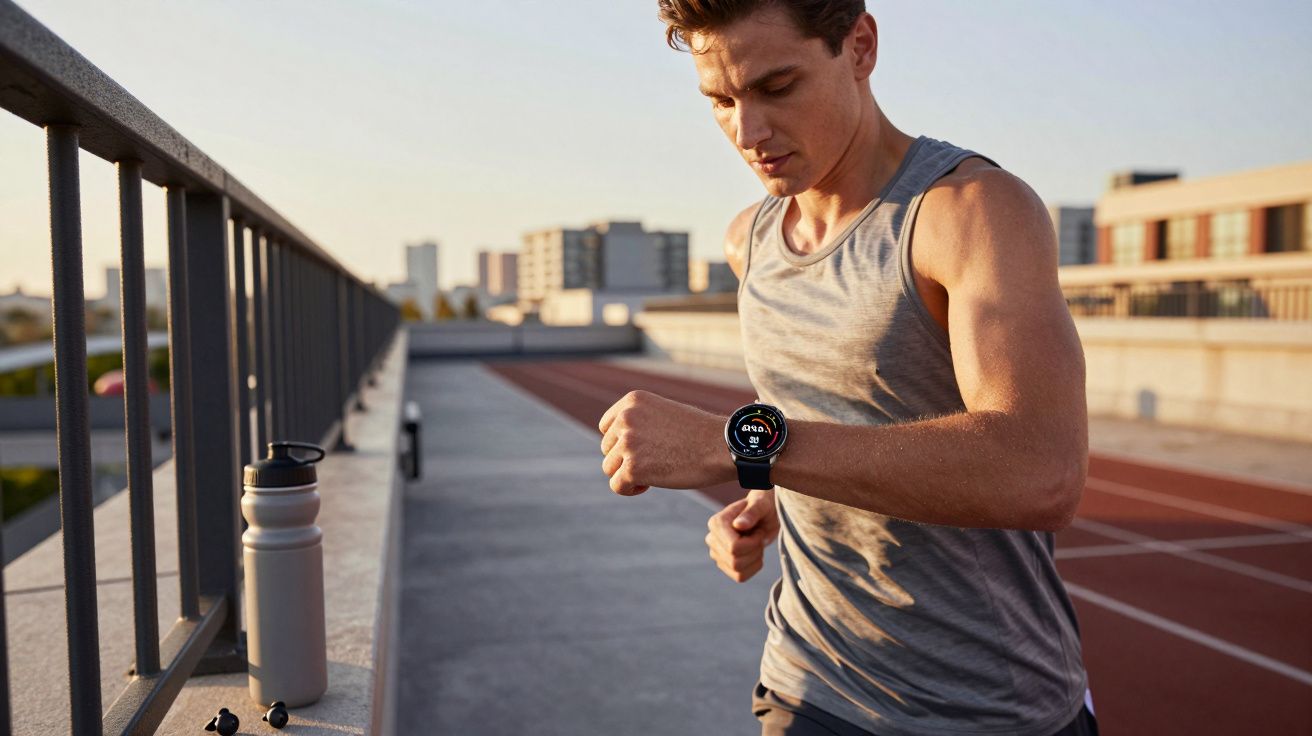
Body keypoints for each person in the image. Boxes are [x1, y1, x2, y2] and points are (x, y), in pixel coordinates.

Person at [597, 1, 1098, 734]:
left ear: (859, 45)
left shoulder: (971, 212)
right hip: (808, 685)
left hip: (988, 707)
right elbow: (845, 420)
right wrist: (769, 497)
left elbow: (1040, 468)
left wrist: (737, 446)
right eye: (721, 100)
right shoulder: (752, 241)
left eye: (777, 87)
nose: (749, 132)